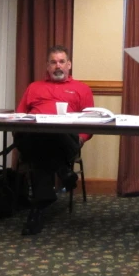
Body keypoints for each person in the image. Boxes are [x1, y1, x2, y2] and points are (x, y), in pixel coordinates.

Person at [14, 45, 94, 236]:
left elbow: (91, 122)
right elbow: (19, 116)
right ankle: (62, 170)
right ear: (47, 66)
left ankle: (38, 208)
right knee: (36, 131)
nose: (58, 66)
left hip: (66, 141)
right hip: (35, 139)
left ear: (69, 65)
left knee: (51, 128)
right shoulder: (34, 87)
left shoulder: (81, 89)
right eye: (53, 62)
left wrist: (81, 140)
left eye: (61, 61)